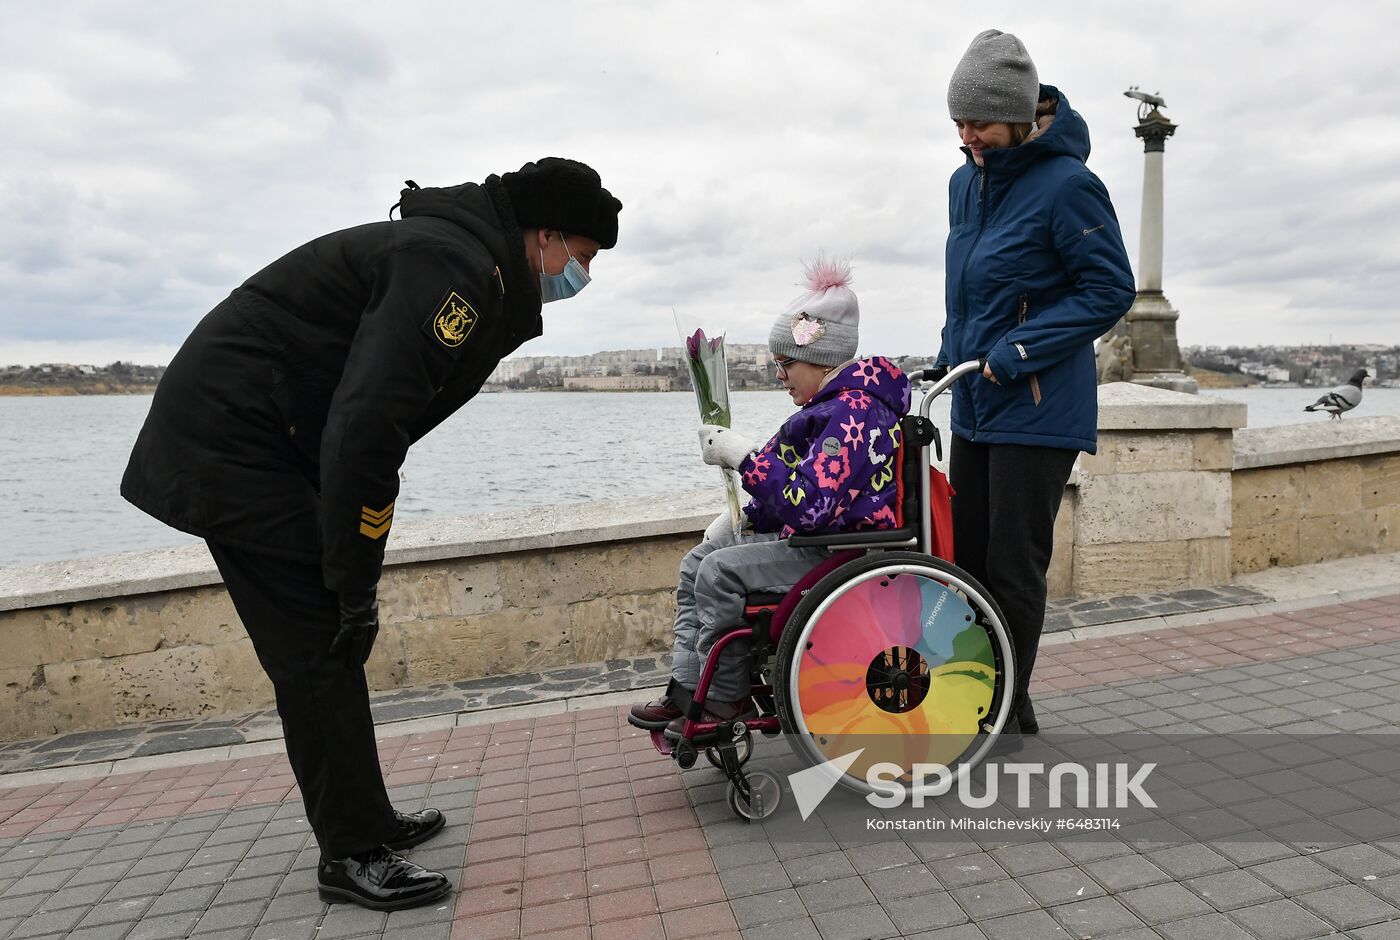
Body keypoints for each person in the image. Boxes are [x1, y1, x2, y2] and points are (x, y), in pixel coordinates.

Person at [121, 158, 621, 910]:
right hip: (233, 445)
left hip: (272, 438)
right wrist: (355, 576)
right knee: (320, 643)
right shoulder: (450, 269)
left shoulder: (466, 262)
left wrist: (350, 564)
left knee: (328, 634)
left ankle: (368, 819)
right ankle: (351, 854)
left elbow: (365, 417)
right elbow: (367, 427)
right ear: (544, 234)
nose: (581, 276)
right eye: (580, 257)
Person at [935, 30, 1135, 740]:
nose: (968, 136)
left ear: (1020, 116)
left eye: (981, 123)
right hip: (977, 402)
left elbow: (1111, 289)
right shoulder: (966, 182)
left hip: (1040, 406)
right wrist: (944, 357)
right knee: (965, 561)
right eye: (958, 122)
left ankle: (1005, 709)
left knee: (1014, 565)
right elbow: (971, 295)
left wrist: (1019, 349)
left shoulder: (1069, 185)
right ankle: (972, 696)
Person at [629, 258, 911, 736]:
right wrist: (743, 517)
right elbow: (792, 493)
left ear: (822, 359)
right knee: (699, 561)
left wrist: (743, 458)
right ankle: (686, 688)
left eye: (786, 364)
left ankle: (725, 699)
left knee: (718, 571)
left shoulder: (852, 415)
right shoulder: (829, 408)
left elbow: (810, 505)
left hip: (839, 552)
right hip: (817, 542)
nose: (779, 375)